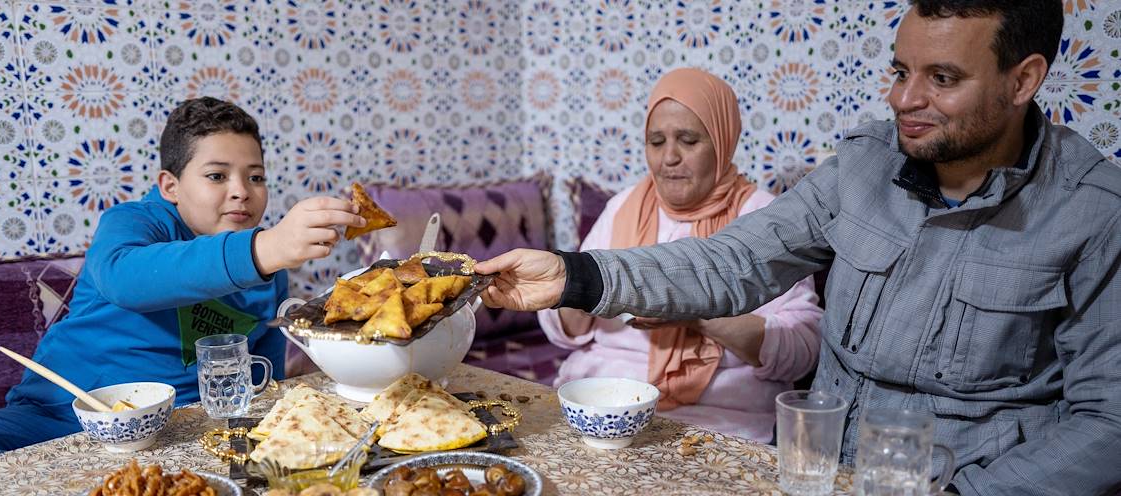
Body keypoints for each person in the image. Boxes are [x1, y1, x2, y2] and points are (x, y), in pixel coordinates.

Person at [474, 1, 1121, 494]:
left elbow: (1108, 423)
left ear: (1023, 79)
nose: (904, 99)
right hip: (813, 468)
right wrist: (573, 276)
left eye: (942, 78)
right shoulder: (863, 166)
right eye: (900, 71)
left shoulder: (1093, 211)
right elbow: (733, 261)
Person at [0, 97, 365, 481]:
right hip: (59, 420)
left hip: (181, 434)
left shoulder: (270, 270)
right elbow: (126, 279)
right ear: (171, 186)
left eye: (255, 177)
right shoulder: (135, 223)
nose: (242, 190)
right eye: (217, 175)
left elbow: (263, 384)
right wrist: (264, 248)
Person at [537, 68, 822, 443]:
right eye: (656, 142)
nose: (669, 157)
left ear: (722, 141)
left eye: (688, 140)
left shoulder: (764, 218)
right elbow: (563, 333)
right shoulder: (625, 206)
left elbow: (804, 350)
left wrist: (695, 312)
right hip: (604, 409)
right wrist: (577, 291)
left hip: (717, 420)